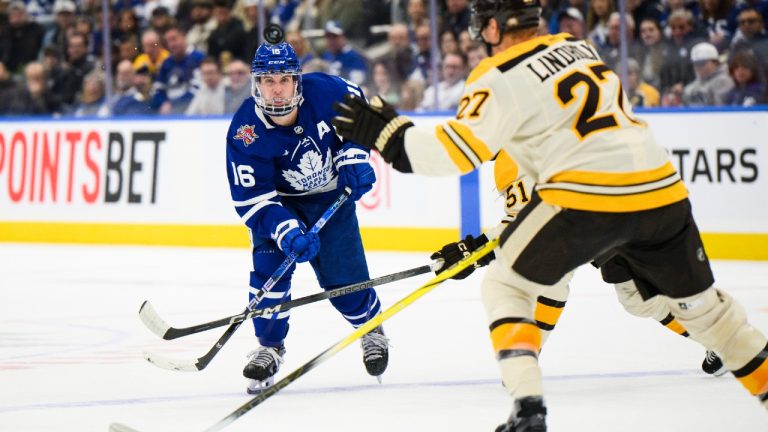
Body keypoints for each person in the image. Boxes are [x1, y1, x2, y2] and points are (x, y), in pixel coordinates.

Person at [331, 1, 768, 430]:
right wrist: (475, 244)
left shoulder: (497, 76)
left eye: (484, 24)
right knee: (708, 313)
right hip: (662, 191)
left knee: (505, 283)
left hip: (590, 200)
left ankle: (528, 408)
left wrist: (386, 134)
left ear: (495, 28)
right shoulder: (580, 48)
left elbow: (449, 155)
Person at [225, 32, 388, 395]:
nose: (277, 90)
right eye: (268, 81)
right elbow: (252, 199)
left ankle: (370, 329)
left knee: (345, 281)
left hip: (330, 196)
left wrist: (355, 154)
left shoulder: (327, 91)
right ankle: (269, 347)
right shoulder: (245, 132)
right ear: (257, 84)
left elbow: (365, 110)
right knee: (270, 273)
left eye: (284, 80)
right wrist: (285, 229)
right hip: (280, 204)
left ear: (297, 80)